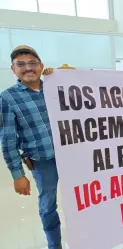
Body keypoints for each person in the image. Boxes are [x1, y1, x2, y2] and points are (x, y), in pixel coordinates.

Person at [0, 45, 72, 249]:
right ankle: (54, 245)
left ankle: (83, 236)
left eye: (33, 63)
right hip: (43, 162)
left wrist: (65, 75)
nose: (28, 68)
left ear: (41, 66)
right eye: (21, 64)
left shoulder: (55, 86)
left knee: (81, 198)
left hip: (73, 156)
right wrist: (18, 175)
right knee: (48, 205)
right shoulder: (8, 98)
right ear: (13, 69)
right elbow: (7, 139)